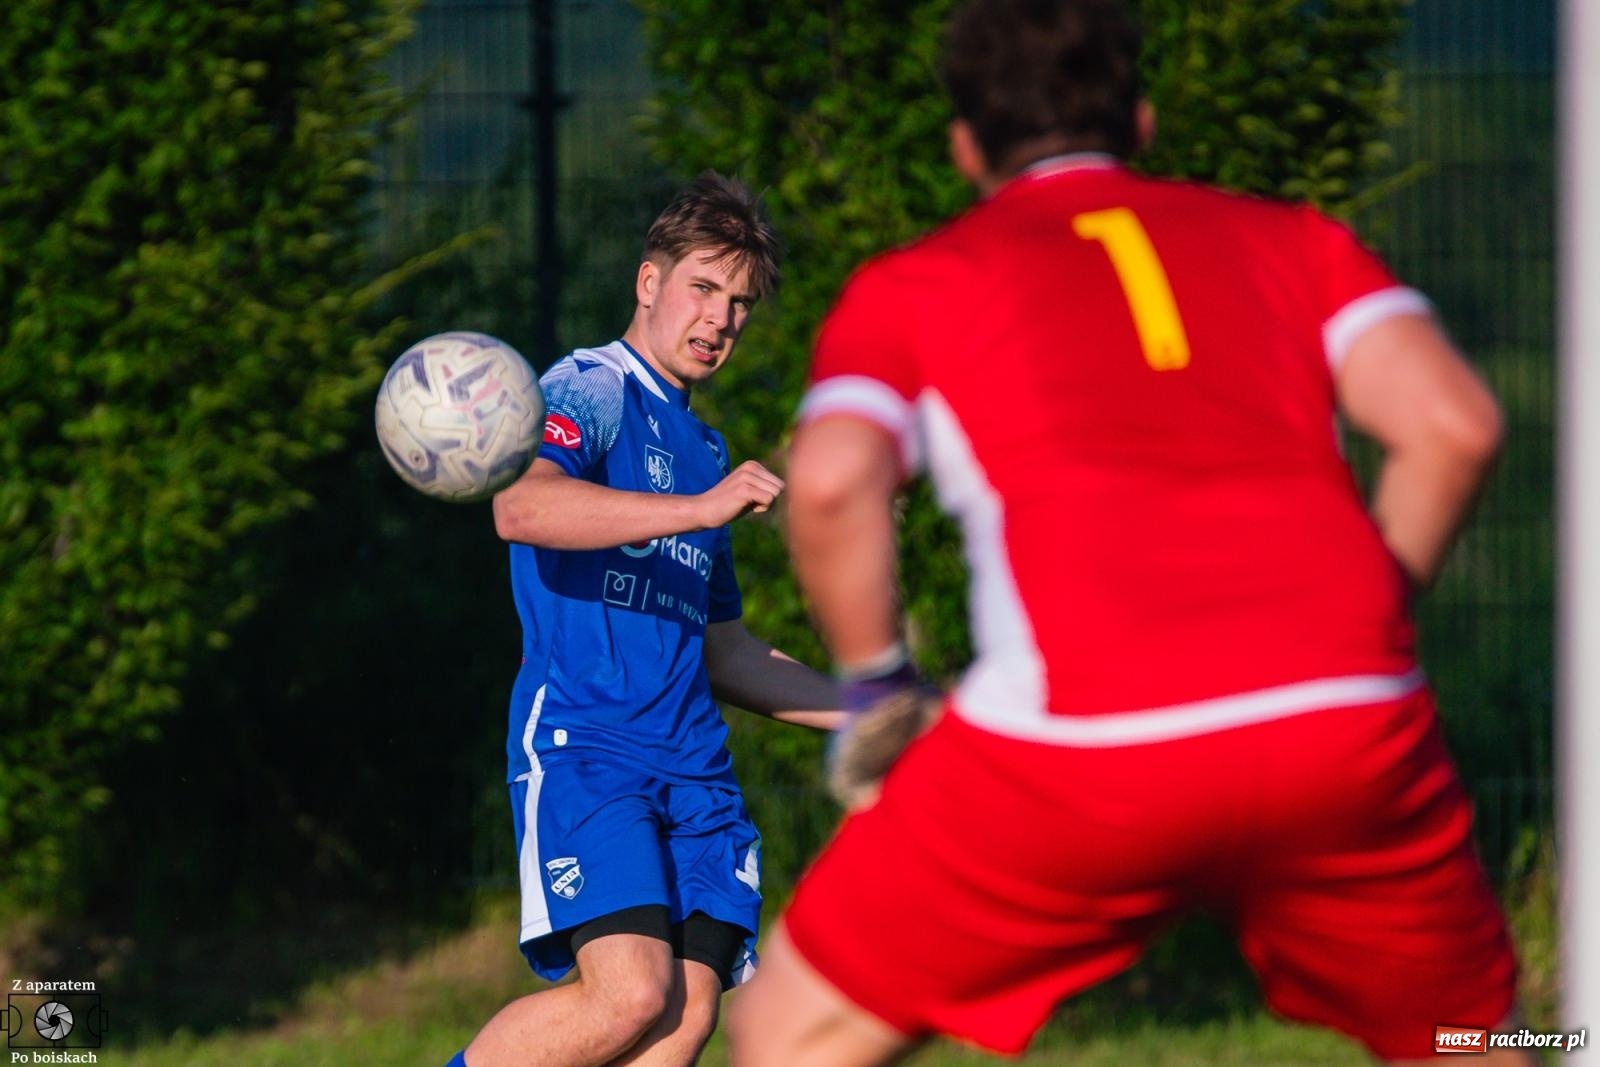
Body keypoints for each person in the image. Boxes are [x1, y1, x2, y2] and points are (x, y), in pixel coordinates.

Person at [725, 2, 1530, 1064]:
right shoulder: (1293, 240)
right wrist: (1358, 624)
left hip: (1080, 745)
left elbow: (828, 481)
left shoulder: (916, 285)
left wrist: (877, 689)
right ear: (1141, 123)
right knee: (1476, 1037)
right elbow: (1454, 425)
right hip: (1346, 720)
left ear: (965, 147)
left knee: (787, 1033)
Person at [446, 172, 844, 1067]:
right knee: (630, 994)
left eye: (740, 303)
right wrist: (697, 510)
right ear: (649, 282)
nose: (721, 318)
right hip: (591, 748)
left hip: (695, 772)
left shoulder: (700, 449)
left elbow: (729, 652)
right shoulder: (588, 386)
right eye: (704, 286)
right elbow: (523, 507)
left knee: (685, 1019)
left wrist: (875, 712)